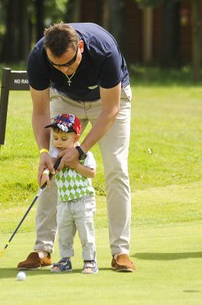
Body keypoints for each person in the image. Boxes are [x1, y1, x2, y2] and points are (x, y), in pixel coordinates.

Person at [18, 22, 135, 272]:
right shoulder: (39, 57)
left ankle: (120, 251)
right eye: (57, 65)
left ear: (80, 47)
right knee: (51, 167)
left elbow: (110, 110)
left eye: (69, 63)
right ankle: (43, 249)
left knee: (116, 168)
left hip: (109, 100)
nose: (64, 69)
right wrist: (43, 153)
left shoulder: (104, 52)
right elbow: (40, 111)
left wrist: (80, 151)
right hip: (66, 100)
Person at [41, 113, 99, 274]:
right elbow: (49, 170)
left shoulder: (84, 154)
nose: (58, 142)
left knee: (85, 232)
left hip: (83, 201)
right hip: (64, 202)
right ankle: (65, 260)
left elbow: (91, 173)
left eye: (64, 138)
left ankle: (90, 260)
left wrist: (75, 165)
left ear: (76, 137)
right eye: (56, 138)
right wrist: (45, 175)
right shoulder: (55, 156)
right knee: (64, 233)